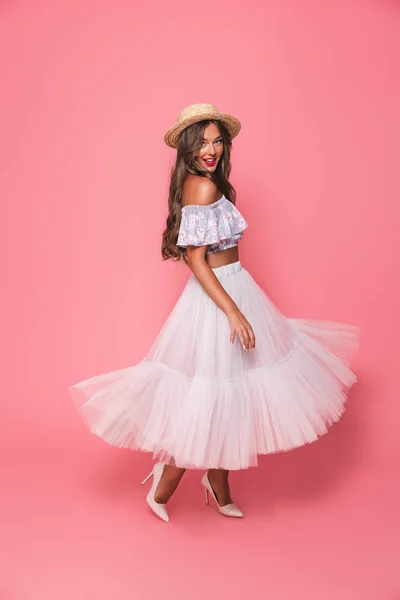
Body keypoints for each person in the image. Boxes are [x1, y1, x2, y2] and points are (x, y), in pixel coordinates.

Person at [69, 103, 360, 523]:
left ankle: (218, 483)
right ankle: (164, 485)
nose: (211, 149)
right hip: (217, 297)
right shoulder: (201, 188)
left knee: (233, 388)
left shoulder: (208, 183)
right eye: (202, 141)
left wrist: (240, 304)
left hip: (236, 286)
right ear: (187, 146)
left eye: (217, 140)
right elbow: (197, 260)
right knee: (210, 391)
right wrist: (234, 313)